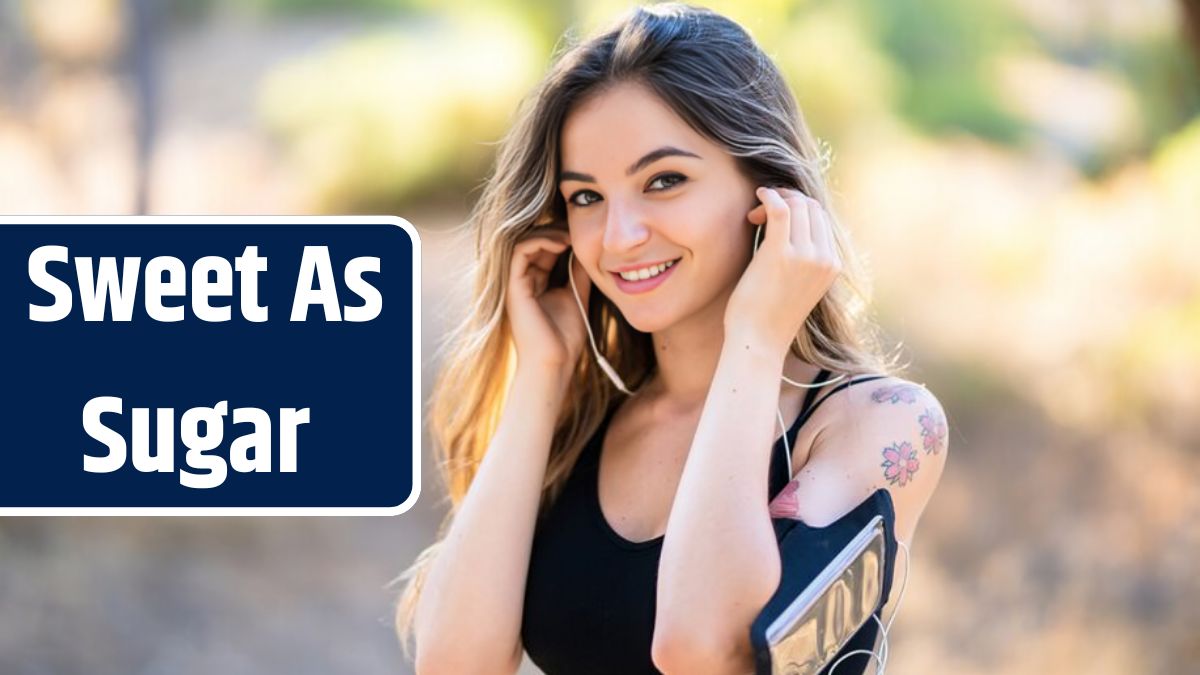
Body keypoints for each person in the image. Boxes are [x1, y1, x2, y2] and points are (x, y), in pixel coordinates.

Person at [396, 4, 949, 674]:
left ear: (768, 190)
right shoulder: (585, 421)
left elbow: (703, 647)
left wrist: (755, 337)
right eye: (586, 197)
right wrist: (543, 374)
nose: (619, 236)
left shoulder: (880, 426)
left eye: (664, 181)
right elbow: (454, 665)